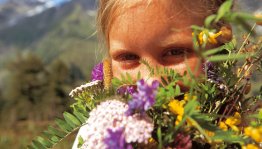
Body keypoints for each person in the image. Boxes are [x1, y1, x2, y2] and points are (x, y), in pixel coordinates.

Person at [73, 0, 230, 148]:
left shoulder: (241, 135)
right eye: (128, 57)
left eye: (175, 52)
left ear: (220, 49)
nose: (150, 82)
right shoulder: (95, 137)